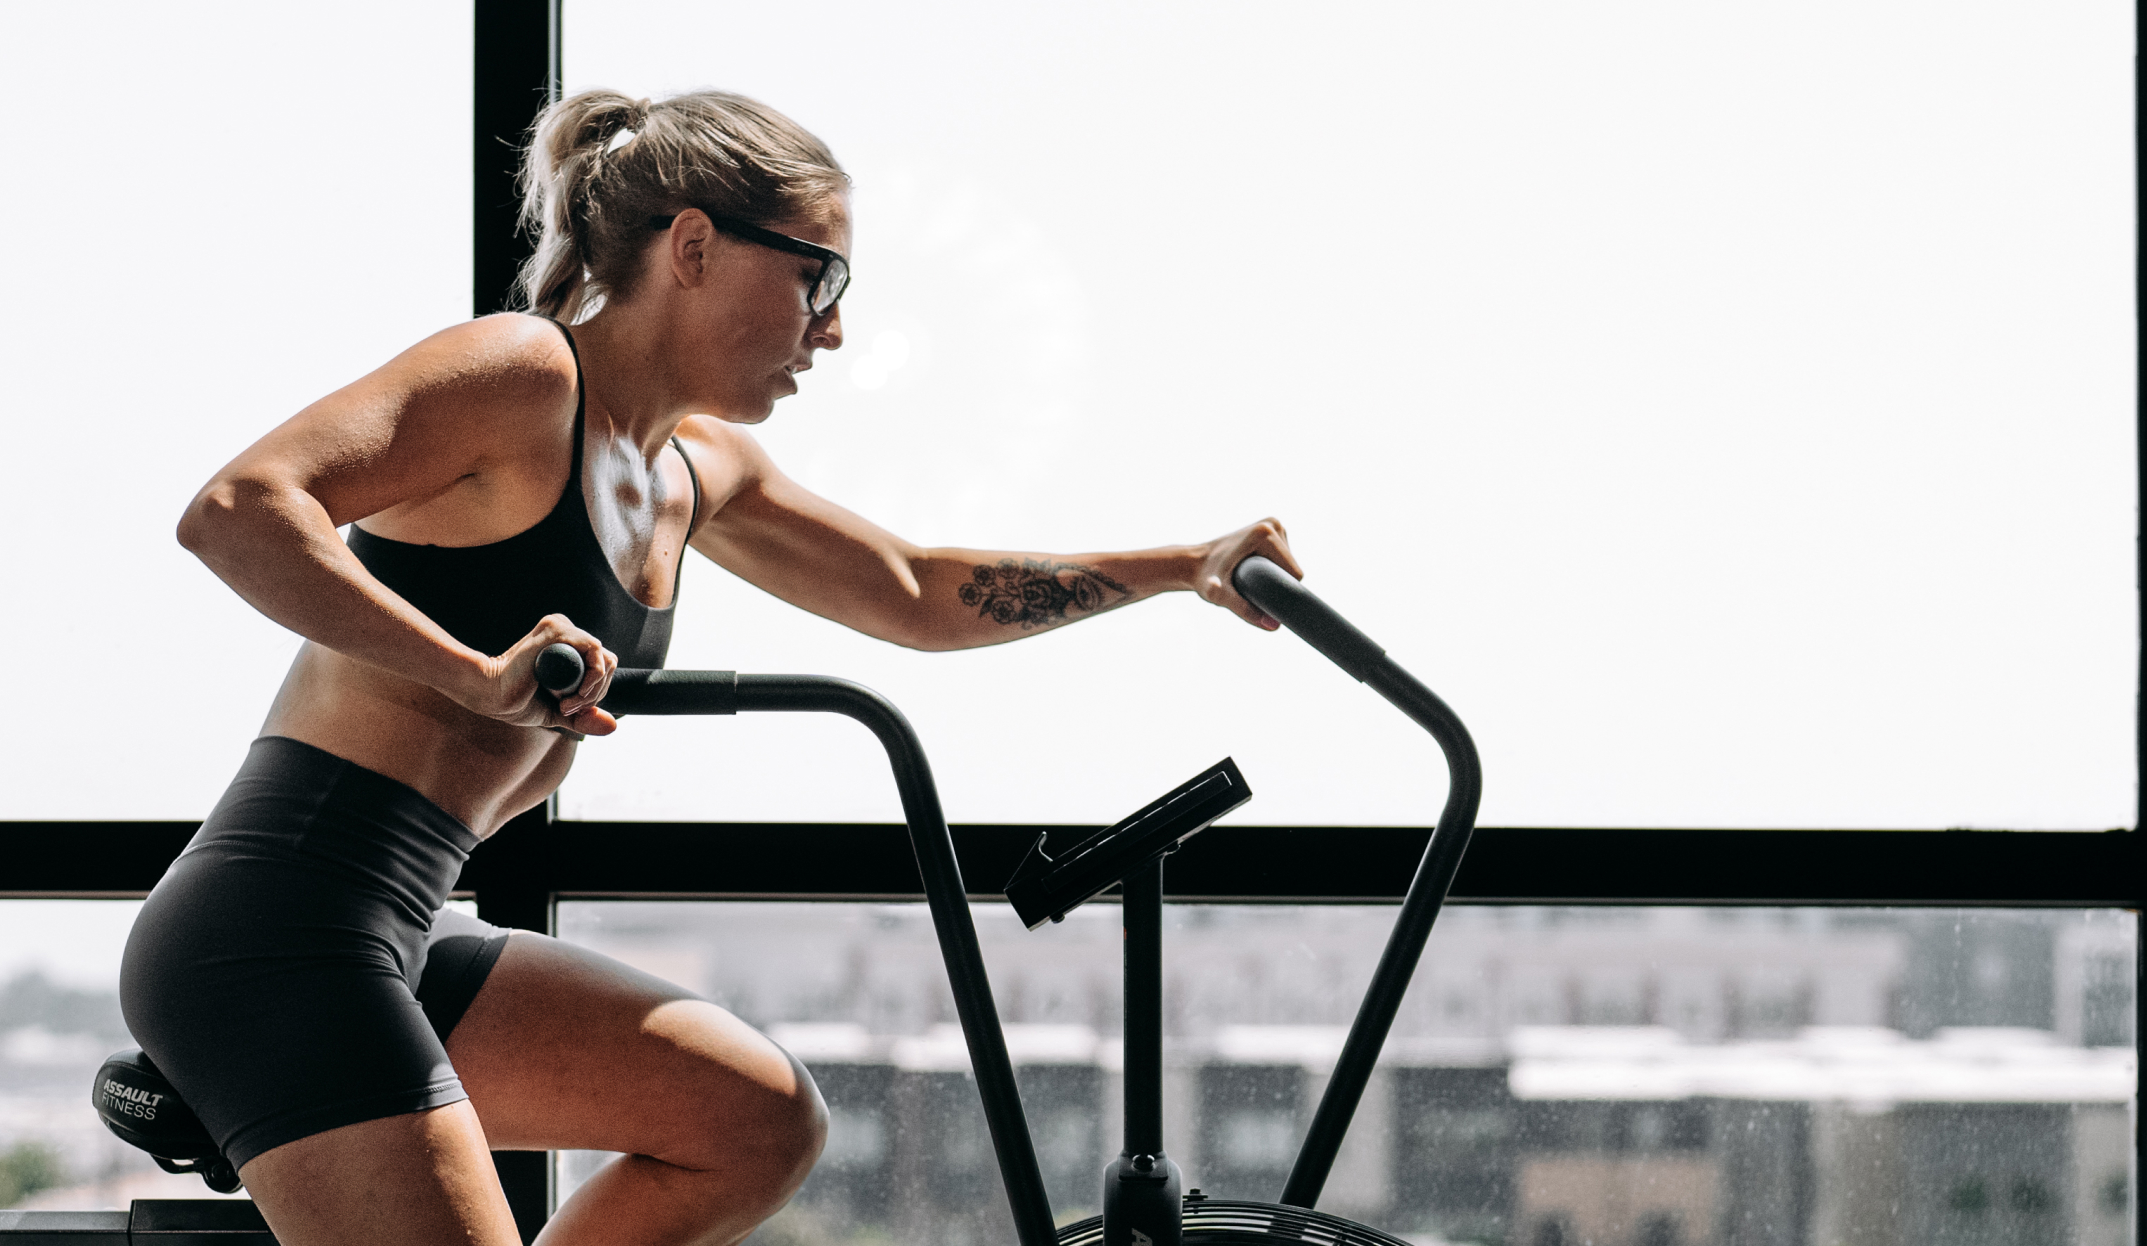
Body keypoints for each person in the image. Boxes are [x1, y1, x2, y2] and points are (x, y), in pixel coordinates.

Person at [121, 87, 1301, 1246]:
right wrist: (473, 671)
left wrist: (1181, 565)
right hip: (273, 937)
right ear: (693, 245)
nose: (831, 329)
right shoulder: (523, 376)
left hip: (403, 934)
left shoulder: (693, 470)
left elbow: (913, 590)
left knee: (757, 1120)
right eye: (816, 278)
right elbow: (239, 508)